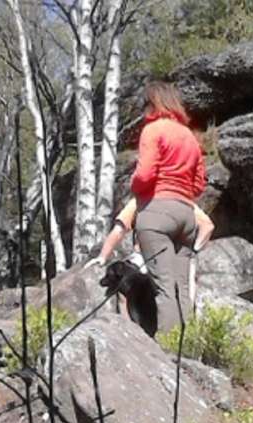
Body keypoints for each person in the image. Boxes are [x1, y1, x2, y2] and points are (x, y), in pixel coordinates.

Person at [87, 81, 209, 333]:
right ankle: (188, 349)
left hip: (157, 213)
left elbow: (144, 175)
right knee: (181, 288)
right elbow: (198, 185)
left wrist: (136, 187)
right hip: (186, 215)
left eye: (146, 104)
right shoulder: (190, 136)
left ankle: (167, 352)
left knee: (163, 287)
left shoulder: (154, 130)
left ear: (153, 103)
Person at [86, 195, 215, 330]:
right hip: (178, 258)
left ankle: (130, 331)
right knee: (184, 292)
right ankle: (184, 330)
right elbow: (208, 226)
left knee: (125, 287)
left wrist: (103, 256)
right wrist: (194, 250)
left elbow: (119, 230)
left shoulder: (139, 201)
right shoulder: (184, 202)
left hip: (144, 255)